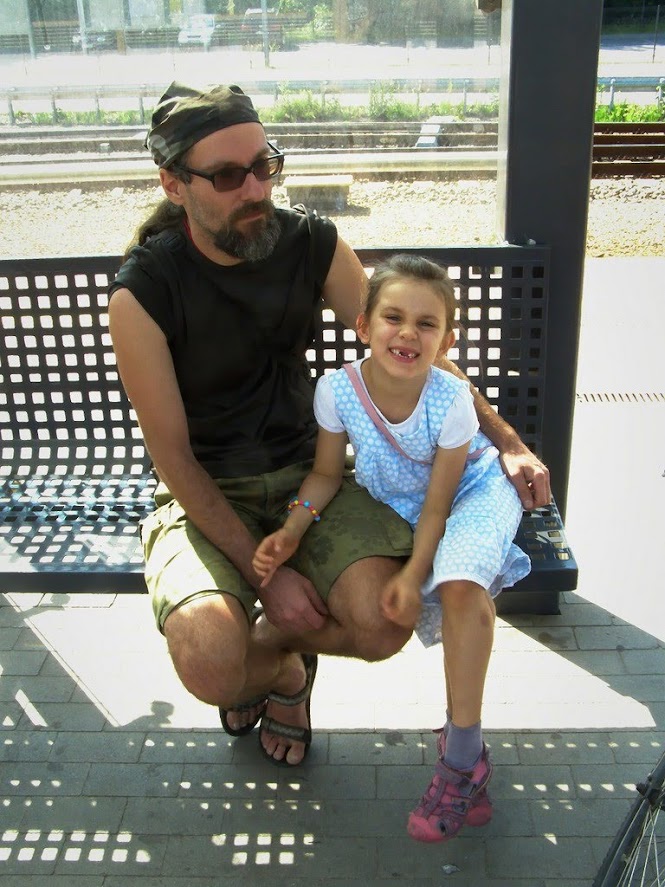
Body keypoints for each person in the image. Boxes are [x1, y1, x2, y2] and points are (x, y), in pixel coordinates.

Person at [108, 80, 550, 770]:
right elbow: (174, 461)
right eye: (227, 176)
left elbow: (411, 353)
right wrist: (268, 581)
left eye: (265, 165)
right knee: (211, 664)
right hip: (206, 492)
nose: (256, 189)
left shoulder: (310, 244)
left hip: (313, 476)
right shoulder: (145, 293)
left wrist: (509, 442)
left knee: (384, 621)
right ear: (173, 184)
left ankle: (274, 652)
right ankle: (285, 675)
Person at [252, 254, 529, 840]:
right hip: (403, 503)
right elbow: (326, 476)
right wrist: (292, 529)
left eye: (427, 324)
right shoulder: (338, 390)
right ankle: (470, 766)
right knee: (429, 590)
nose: (408, 334)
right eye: (394, 317)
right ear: (363, 325)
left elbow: (439, 507)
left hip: (471, 491)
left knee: (460, 585)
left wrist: (412, 573)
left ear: (446, 342)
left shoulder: (451, 400)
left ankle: (462, 760)